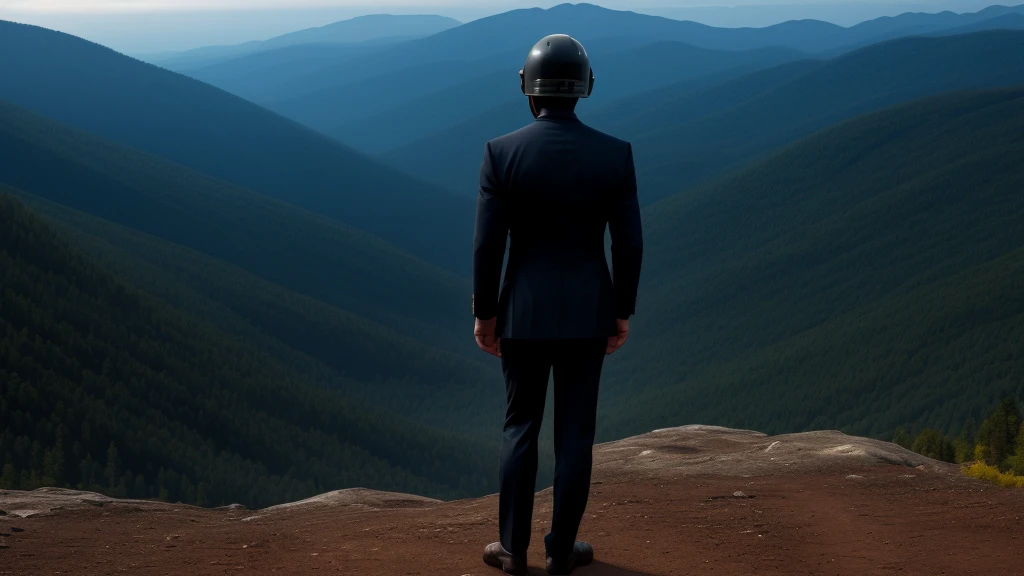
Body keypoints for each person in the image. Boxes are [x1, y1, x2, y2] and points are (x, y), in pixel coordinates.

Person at [473, 33, 644, 576]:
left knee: (519, 426)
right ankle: (561, 550)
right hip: (589, 314)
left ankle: (511, 549)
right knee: (575, 433)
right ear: (585, 88)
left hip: (521, 313)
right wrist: (622, 309)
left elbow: (487, 244)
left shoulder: (501, 153)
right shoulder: (615, 155)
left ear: (528, 87)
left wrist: (485, 312)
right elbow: (629, 243)